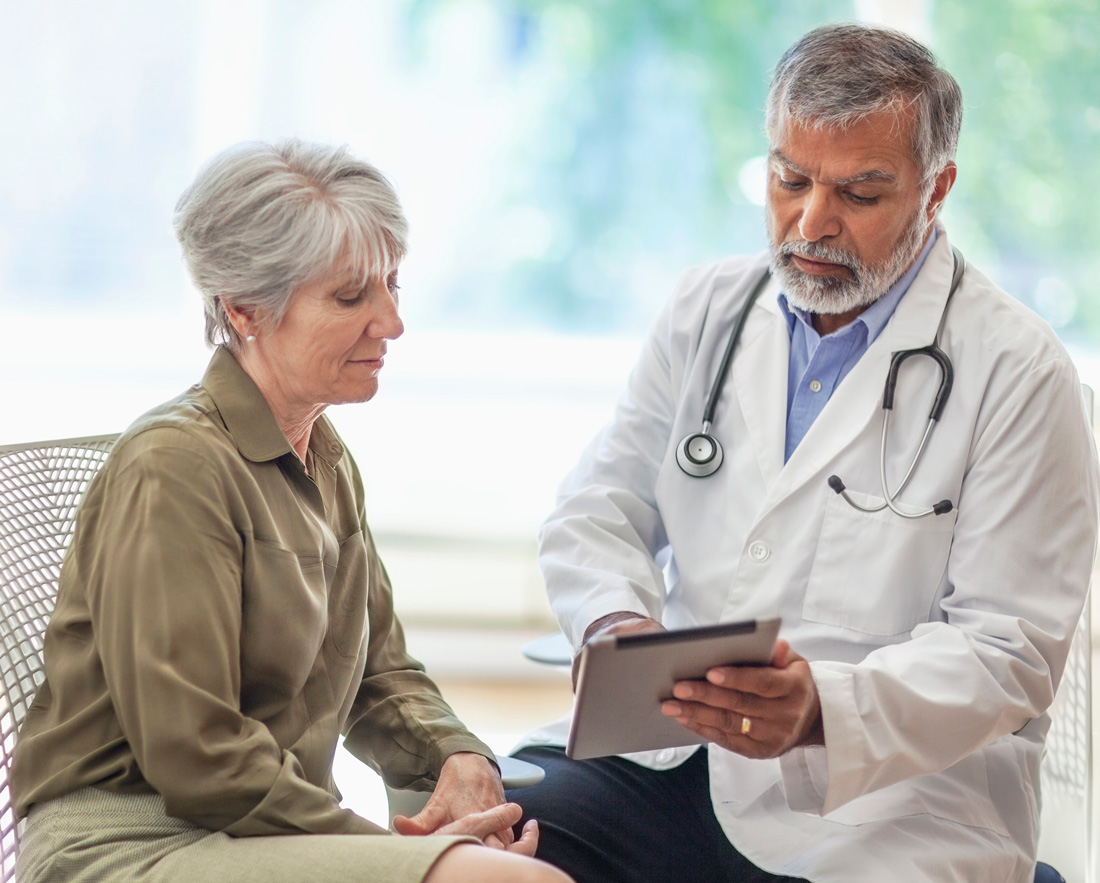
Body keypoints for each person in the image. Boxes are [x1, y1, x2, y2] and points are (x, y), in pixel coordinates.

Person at [508, 23, 1099, 883]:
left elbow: (1008, 648)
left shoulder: (1018, 369)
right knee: (495, 841)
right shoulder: (706, 309)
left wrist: (823, 707)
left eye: (861, 193)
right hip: (675, 760)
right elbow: (597, 509)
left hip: (889, 803)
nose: (811, 222)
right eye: (790, 180)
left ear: (937, 190)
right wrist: (618, 626)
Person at [11, 139, 572, 883]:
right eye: (351, 297)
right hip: (139, 839)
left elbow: (382, 672)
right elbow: (198, 756)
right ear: (244, 307)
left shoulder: (325, 455)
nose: (393, 322)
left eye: (392, 284)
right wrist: (399, 849)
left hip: (262, 831)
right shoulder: (173, 467)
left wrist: (459, 755)